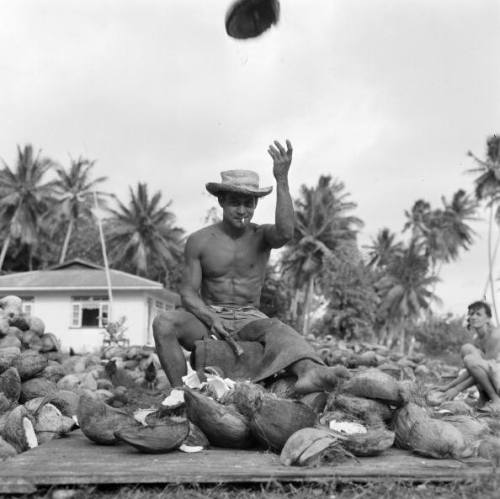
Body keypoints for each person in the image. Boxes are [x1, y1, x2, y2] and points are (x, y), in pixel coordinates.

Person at [153, 139, 349, 394]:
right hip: (210, 317)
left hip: (250, 317)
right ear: (221, 201)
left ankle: (311, 373)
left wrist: (281, 179)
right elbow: (188, 292)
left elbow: (286, 232)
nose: (243, 210)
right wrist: (208, 316)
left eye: (249, 203)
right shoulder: (199, 241)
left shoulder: (261, 236)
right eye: (236, 202)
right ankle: (181, 394)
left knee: (280, 330)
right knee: (164, 323)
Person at [435, 300, 500, 411]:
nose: (473, 317)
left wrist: (457, 389)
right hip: (493, 376)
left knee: (470, 358)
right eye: (471, 314)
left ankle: (496, 400)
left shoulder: (495, 335)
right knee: (467, 349)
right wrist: (449, 386)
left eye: (478, 314)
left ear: (488, 318)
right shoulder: (477, 339)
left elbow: (488, 369)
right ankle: (484, 398)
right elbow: (475, 371)